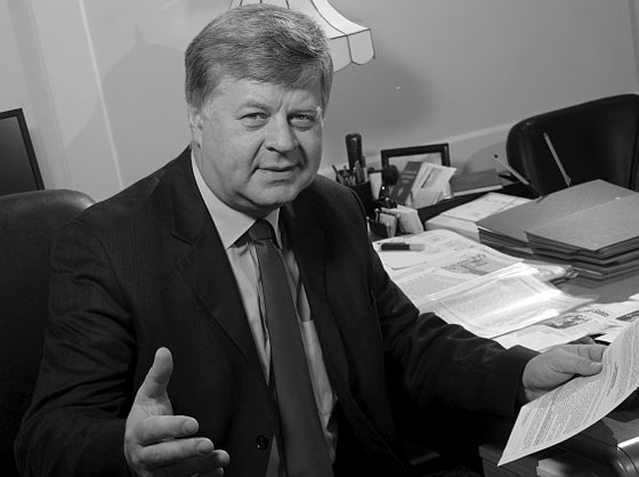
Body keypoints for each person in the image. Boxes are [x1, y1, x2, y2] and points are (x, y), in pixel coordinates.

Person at [15, 4, 605, 477]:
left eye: (303, 118)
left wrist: (520, 373)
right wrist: (126, 449)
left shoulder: (331, 207)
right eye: (254, 117)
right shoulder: (108, 246)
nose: (284, 142)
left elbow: (403, 343)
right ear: (197, 117)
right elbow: (48, 437)